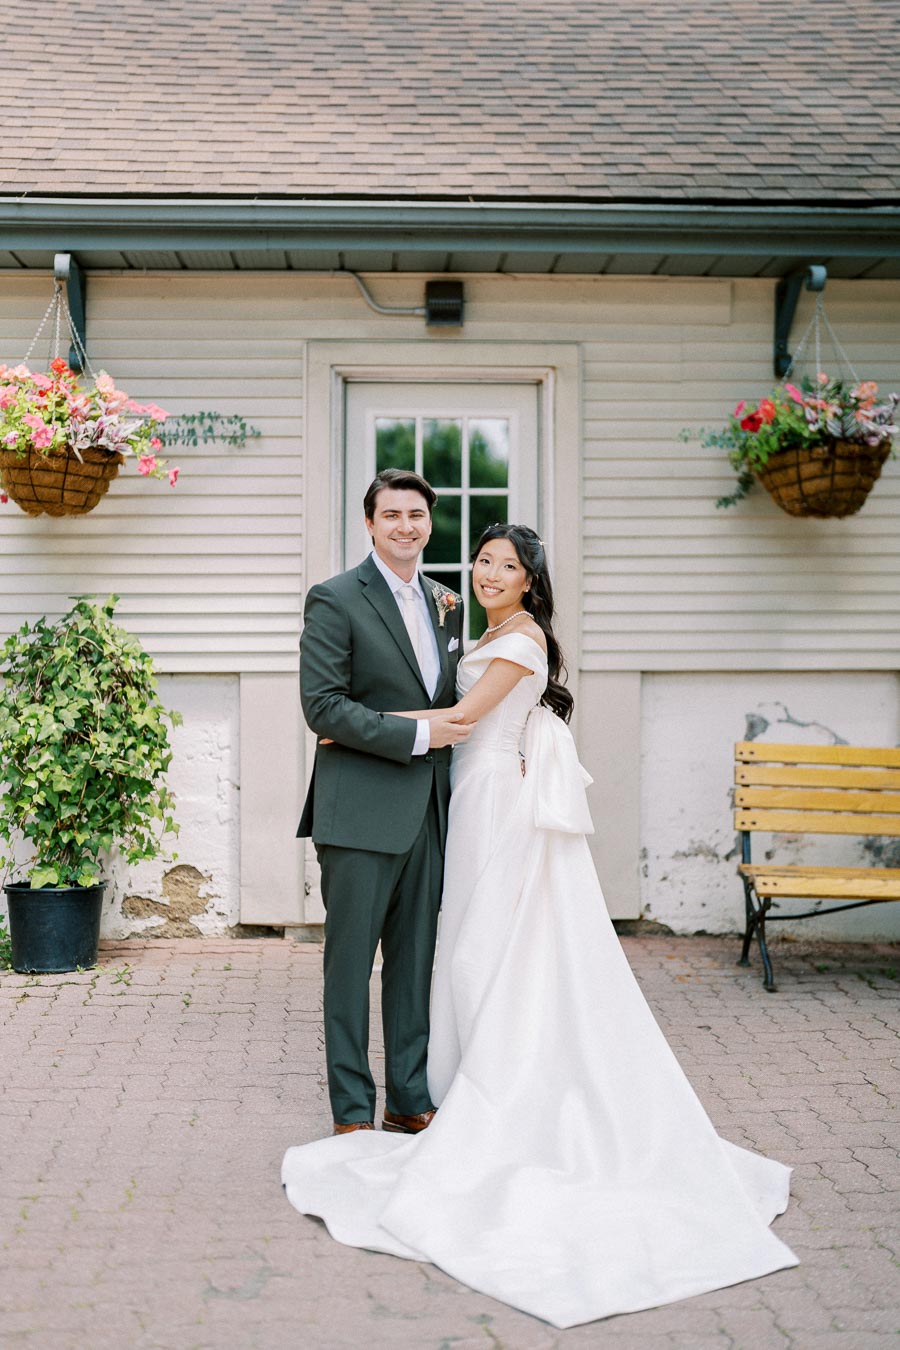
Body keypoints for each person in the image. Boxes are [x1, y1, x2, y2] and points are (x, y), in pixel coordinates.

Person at [284, 523, 799, 1328]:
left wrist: (347, 723)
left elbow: (458, 717)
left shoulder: (522, 642)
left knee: (491, 944)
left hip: (490, 799)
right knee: (462, 947)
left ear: (532, 579)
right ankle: (439, 1085)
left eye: (508, 565)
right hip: (457, 797)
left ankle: (498, 1085)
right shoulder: (477, 624)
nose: (491, 573)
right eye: (484, 560)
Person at [297, 467, 469, 1136]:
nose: (405, 526)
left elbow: (457, 698)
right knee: (348, 969)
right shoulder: (335, 598)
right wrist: (420, 733)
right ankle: (349, 1111)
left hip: (430, 810)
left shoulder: (449, 603)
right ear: (370, 523)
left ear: (429, 524)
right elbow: (323, 706)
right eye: (391, 515)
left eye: (416, 516)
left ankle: (407, 1095)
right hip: (360, 812)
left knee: (414, 962)